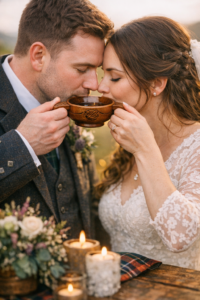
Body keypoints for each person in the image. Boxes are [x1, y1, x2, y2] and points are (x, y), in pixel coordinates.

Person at [0, 0, 113, 238]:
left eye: (97, 69)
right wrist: (22, 145)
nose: (94, 84)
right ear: (39, 56)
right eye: (82, 69)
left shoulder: (69, 99)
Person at [97, 16, 200, 269]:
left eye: (115, 77)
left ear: (156, 83)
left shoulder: (195, 147)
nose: (101, 87)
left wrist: (145, 149)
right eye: (104, 75)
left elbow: (179, 237)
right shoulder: (127, 141)